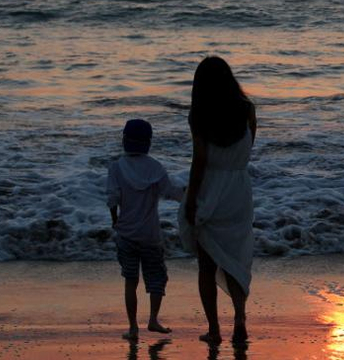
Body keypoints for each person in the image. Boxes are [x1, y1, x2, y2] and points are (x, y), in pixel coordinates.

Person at [179, 56, 257, 344]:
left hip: (211, 189)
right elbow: (250, 148)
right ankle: (239, 318)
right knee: (237, 259)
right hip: (238, 191)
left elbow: (199, 161)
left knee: (207, 264)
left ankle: (213, 330)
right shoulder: (248, 110)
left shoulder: (198, 115)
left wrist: (191, 199)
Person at [107, 118, 184, 341]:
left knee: (131, 281)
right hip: (150, 235)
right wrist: (192, 196)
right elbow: (170, 192)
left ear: (124, 140)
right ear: (148, 142)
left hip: (126, 234)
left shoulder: (116, 167)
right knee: (157, 278)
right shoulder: (155, 167)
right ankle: (153, 319)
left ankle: (132, 327)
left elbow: (112, 198)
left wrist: (115, 220)